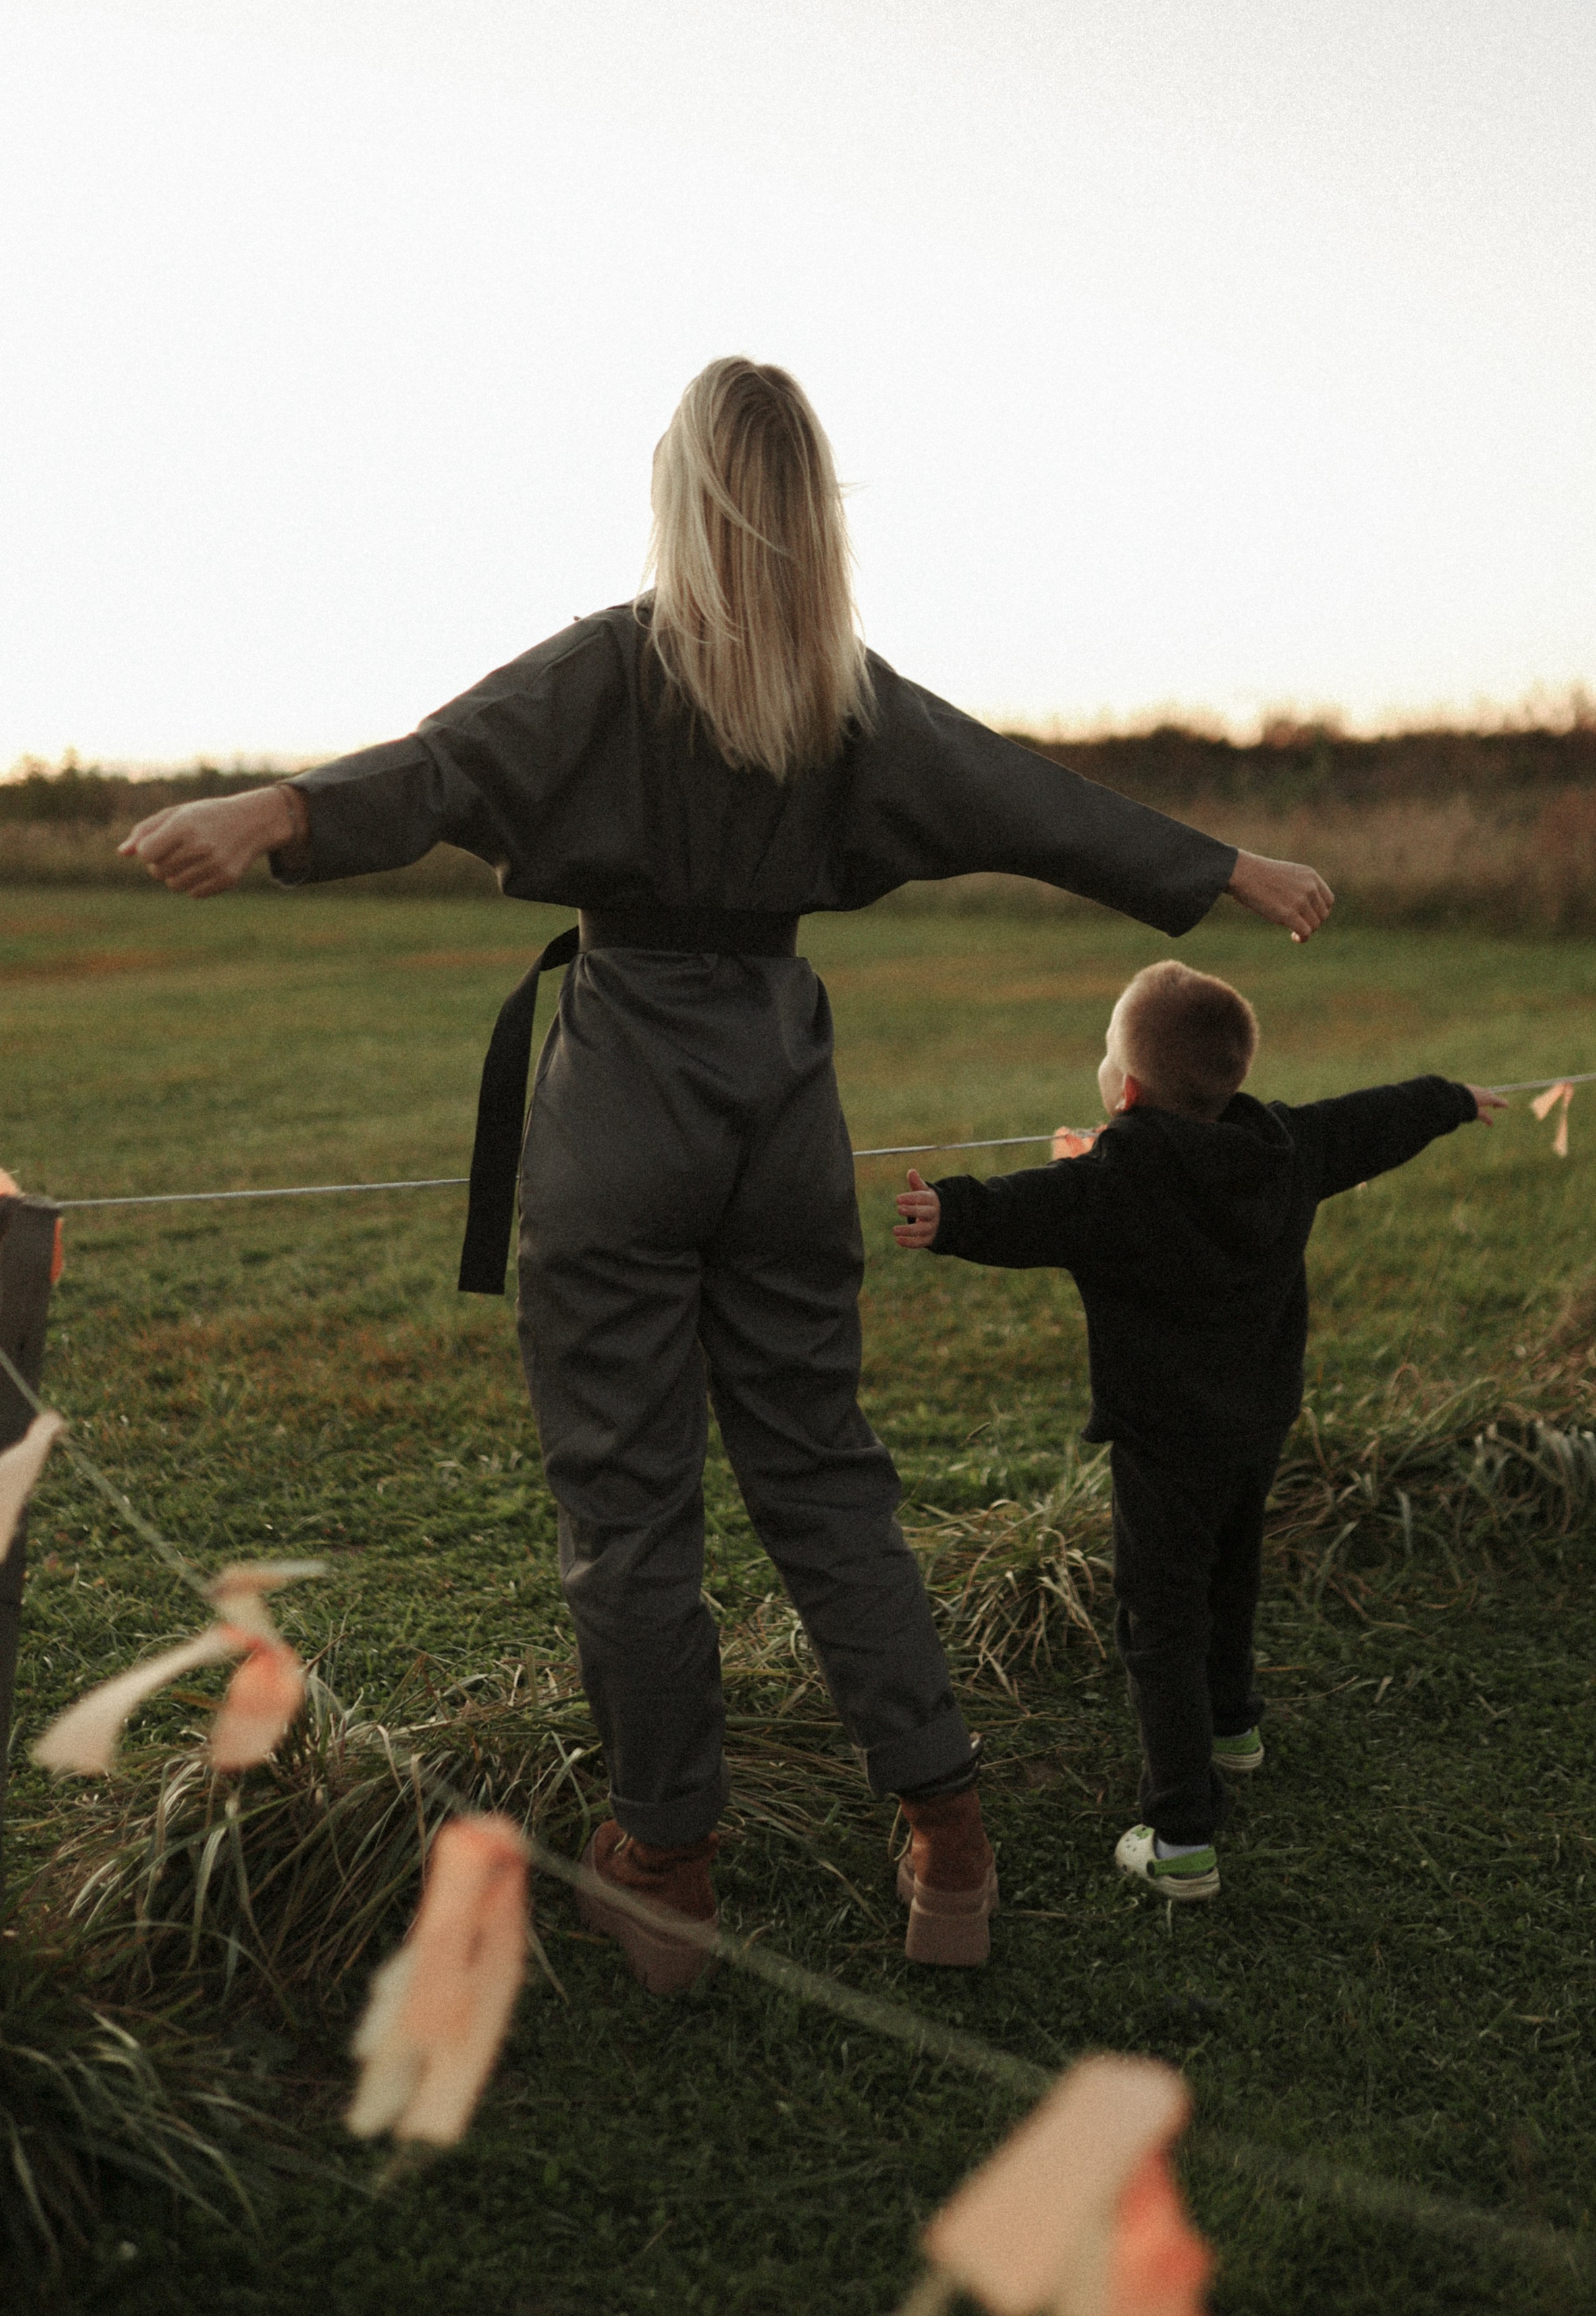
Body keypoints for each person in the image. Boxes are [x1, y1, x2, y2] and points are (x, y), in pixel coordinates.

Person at [120, 357, 1334, 1987]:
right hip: (780, 1087)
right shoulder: (847, 698)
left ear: (679, 494)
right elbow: (1028, 799)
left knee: (629, 1511)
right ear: (811, 511)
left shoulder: (616, 664)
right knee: (825, 1474)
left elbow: (440, 767)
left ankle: (667, 1868)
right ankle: (947, 1837)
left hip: (625, 1084)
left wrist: (271, 811)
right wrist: (1226, 866)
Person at [895, 957, 1504, 1902]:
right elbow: (1372, 1120)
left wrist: (947, 1214)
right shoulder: (1285, 1146)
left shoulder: (1117, 1180)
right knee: (1232, 1571)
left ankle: (1181, 1836)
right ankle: (1233, 1726)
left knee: (1163, 1615)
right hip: (1257, 1423)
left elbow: (1027, 1210)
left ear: (1128, 1089)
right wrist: (1449, 1099)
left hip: (1166, 1441)